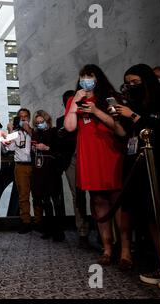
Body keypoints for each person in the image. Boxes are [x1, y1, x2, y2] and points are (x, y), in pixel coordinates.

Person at [64, 64, 130, 268]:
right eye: (82, 76)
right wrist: (75, 101)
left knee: (118, 202)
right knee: (98, 201)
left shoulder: (110, 97)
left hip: (110, 153)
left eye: (90, 76)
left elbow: (119, 128)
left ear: (98, 78)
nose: (86, 79)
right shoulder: (74, 100)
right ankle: (107, 248)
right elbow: (70, 127)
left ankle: (126, 251)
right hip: (89, 155)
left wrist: (95, 110)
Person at [113, 64, 160, 284]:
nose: (131, 86)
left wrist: (135, 115)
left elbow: (159, 125)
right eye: (128, 83)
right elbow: (126, 134)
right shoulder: (133, 104)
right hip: (139, 164)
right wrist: (120, 117)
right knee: (151, 218)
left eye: (136, 82)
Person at [56, 90, 89, 248]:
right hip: (72, 160)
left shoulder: (87, 114)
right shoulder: (61, 121)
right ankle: (83, 232)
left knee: (99, 196)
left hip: (89, 158)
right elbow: (59, 144)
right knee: (78, 197)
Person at [31, 110, 65, 241]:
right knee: (45, 201)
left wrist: (47, 148)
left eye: (41, 122)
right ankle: (49, 229)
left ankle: (59, 231)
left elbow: (59, 151)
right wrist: (34, 149)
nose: (39, 124)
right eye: (37, 123)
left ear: (47, 120)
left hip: (52, 170)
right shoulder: (36, 134)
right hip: (39, 171)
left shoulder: (55, 132)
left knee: (56, 201)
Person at [4, 108, 36, 233]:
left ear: (29, 117)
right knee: (23, 196)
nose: (23, 118)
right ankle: (26, 222)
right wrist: (10, 130)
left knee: (38, 195)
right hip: (21, 167)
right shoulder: (15, 132)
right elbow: (8, 148)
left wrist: (28, 129)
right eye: (21, 116)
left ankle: (39, 221)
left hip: (35, 166)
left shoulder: (34, 131)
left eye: (25, 116)